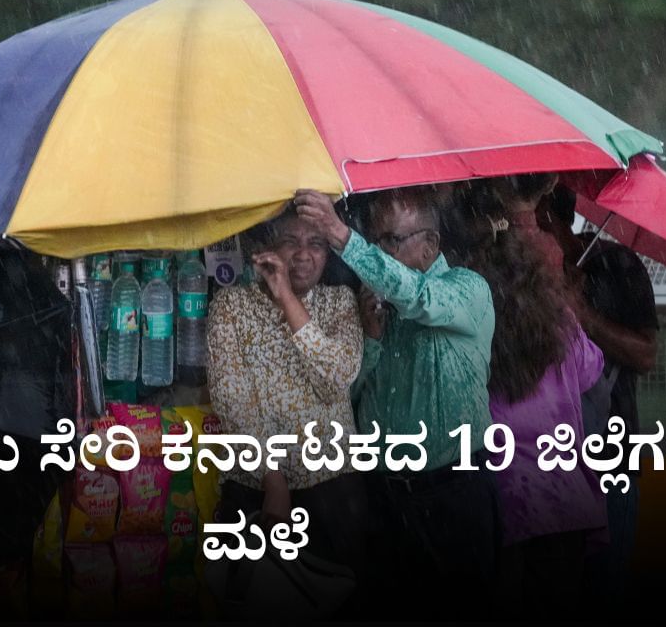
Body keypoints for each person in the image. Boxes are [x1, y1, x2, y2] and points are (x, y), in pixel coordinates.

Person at [293, 186, 498, 618]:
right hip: (385, 497)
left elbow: (419, 297)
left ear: (430, 246)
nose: (379, 253)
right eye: (375, 239)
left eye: (390, 241)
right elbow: (346, 397)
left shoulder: (465, 290)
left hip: (452, 493)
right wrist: (370, 340)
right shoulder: (375, 305)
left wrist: (342, 236)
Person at [463, 175, 608, 617]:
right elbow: (592, 370)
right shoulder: (560, 319)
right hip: (565, 498)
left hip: (505, 500)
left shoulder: (472, 318)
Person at [205, 206, 368, 587]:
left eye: (316, 244)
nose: (304, 255)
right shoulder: (230, 306)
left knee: (338, 598)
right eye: (290, 242)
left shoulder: (340, 302)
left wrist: (288, 301)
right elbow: (233, 400)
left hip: (333, 487)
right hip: (255, 489)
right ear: (267, 249)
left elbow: (336, 377)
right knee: (258, 601)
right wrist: (273, 479)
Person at [538, 183, 660, 603]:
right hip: (545, 464)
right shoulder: (524, 271)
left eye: (534, 219)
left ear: (550, 217)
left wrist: (582, 315)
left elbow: (646, 354)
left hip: (610, 458)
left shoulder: (618, 265)